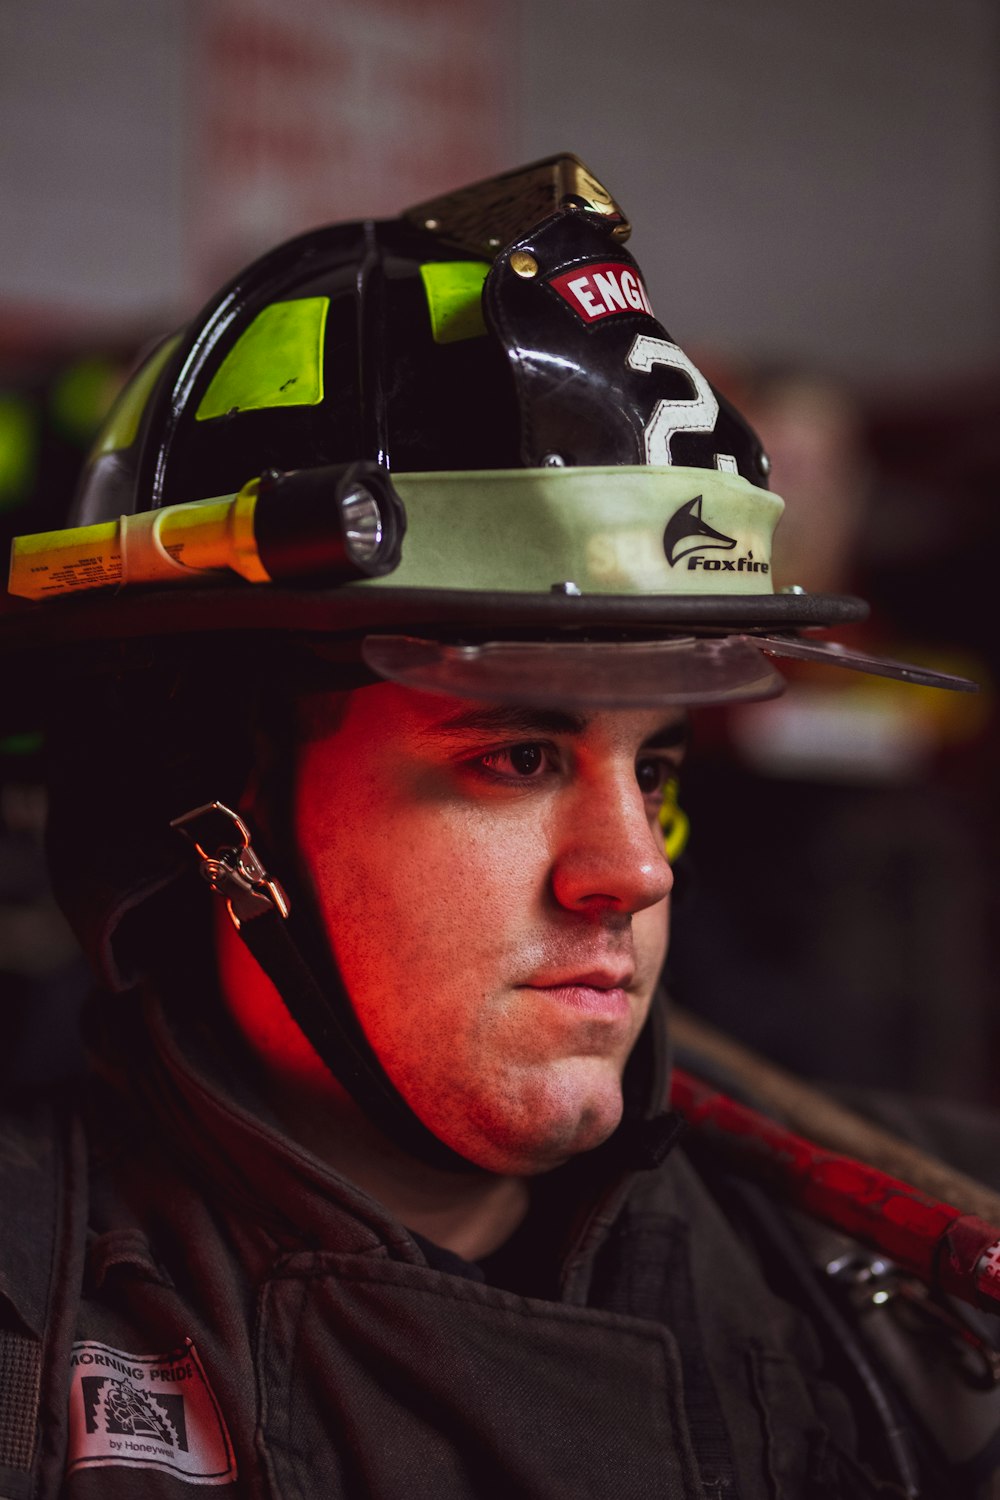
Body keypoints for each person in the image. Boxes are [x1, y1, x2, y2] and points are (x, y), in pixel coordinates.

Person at [0, 153, 996, 1499]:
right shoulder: (33, 1316)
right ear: (205, 795)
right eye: (518, 756)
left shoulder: (909, 1290)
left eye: (653, 770)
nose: (633, 873)